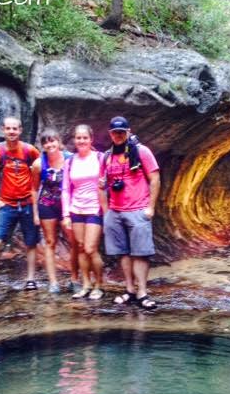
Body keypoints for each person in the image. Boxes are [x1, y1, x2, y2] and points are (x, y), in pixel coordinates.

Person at [0, 116, 40, 298]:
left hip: (28, 203)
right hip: (6, 205)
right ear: (2, 130)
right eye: (8, 128)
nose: (12, 132)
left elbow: (41, 170)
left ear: (20, 130)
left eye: (15, 128)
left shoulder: (30, 151)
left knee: (31, 243)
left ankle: (30, 280)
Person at [100, 116, 160, 309]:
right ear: (110, 134)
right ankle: (129, 290)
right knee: (123, 253)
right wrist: (106, 212)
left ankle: (142, 292)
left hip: (138, 209)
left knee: (140, 253)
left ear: (128, 131)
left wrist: (150, 207)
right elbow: (101, 185)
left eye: (121, 132)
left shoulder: (141, 151)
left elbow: (155, 179)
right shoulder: (106, 157)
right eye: (114, 132)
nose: (118, 135)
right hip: (115, 211)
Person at [31, 129, 81, 294]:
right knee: (50, 242)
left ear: (59, 142)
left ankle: (74, 279)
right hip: (47, 204)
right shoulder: (39, 164)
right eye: (45, 142)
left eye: (52, 141)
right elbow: (34, 189)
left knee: (74, 242)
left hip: (67, 205)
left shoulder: (70, 159)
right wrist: (36, 213)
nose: (49, 145)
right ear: (42, 145)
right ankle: (53, 282)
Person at [62, 125, 105, 300]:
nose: (81, 141)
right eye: (78, 138)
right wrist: (65, 214)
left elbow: (110, 180)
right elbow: (65, 189)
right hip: (76, 208)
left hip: (95, 208)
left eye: (84, 138)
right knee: (79, 247)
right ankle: (86, 284)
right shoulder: (70, 161)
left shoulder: (100, 158)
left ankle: (99, 285)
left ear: (91, 139)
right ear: (74, 140)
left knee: (90, 248)